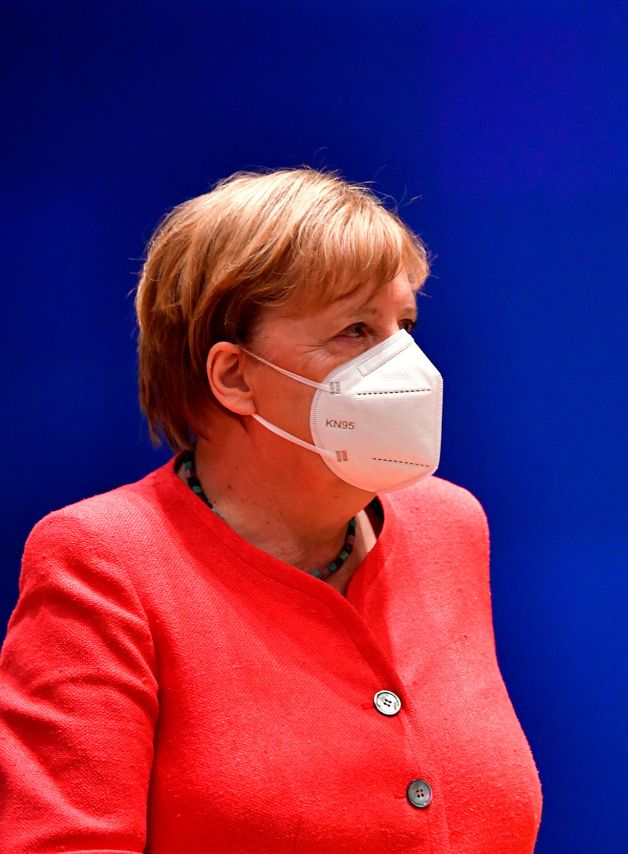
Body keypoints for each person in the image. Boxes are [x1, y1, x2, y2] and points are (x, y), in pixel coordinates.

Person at [0, 167, 542, 852]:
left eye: (403, 324)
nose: (405, 364)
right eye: (355, 330)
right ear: (234, 377)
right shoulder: (105, 559)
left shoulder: (449, 525)